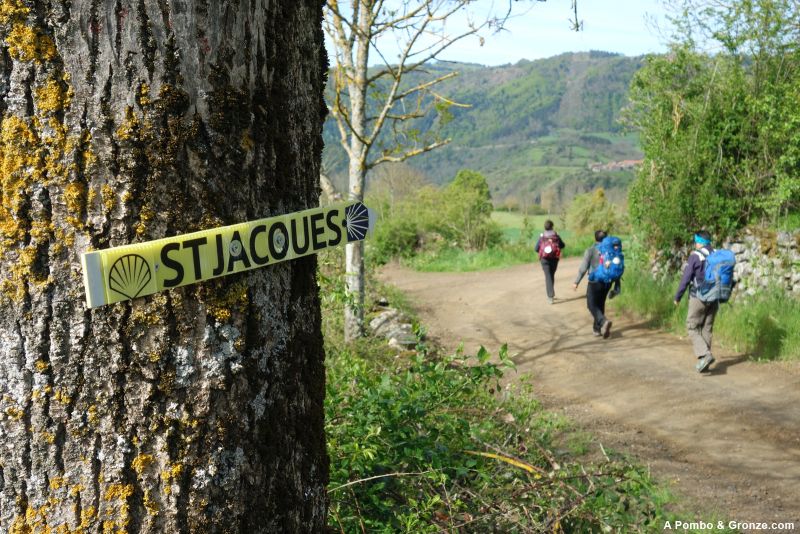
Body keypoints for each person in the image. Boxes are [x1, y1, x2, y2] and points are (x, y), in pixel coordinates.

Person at [674, 230, 717, 373]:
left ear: (699, 242)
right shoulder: (717, 254)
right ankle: (704, 362)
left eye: (696, 241)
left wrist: (677, 297)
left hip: (698, 296)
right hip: (715, 296)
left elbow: (686, 278)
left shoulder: (695, 256)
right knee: (706, 327)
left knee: (692, 326)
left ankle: (705, 355)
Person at [573, 230, 620, 338]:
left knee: (591, 304)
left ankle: (603, 321)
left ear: (595, 238)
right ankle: (597, 329)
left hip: (595, 281)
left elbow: (583, 268)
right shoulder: (612, 250)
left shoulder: (591, 250)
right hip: (608, 282)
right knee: (600, 303)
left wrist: (576, 282)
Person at [534, 220, 566, 304]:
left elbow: (536, 248)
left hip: (544, 259)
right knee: (551, 275)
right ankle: (551, 294)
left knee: (548, 276)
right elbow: (562, 245)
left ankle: (550, 296)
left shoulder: (542, 236)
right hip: (554, 258)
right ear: (552, 226)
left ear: (545, 227)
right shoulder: (556, 236)